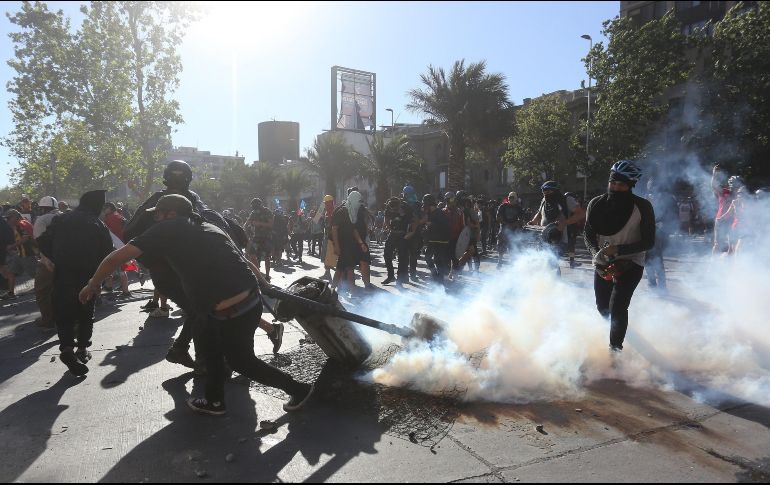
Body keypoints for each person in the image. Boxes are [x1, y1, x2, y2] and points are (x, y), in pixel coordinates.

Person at [79, 195, 312, 415]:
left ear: (170, 214)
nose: (155, 219)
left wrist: (92, 284)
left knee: (241, 361)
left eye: (158, 214)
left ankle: (299, 390)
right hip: (249, 301)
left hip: (228, 311)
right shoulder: (212, 227)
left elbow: (116, 257)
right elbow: (242, 260)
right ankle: (214, 400)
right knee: (208, 344)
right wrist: (264, 285)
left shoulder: (167, 228)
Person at [36, 190, 114, 376]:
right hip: (88, 276)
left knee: (64, 313)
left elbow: (43, 241)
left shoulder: (62, 219)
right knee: (86, 313)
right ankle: (82, 349)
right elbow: (107, 253)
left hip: (63, 275)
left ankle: (67, 349)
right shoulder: (98, 224)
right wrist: (102, 277)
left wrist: (56, 258)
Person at [584, 161, 655, 354]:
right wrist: (595, 255)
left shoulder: (643, 206)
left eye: (621, 185)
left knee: (618, 306)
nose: (615, 187)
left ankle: (615, 350)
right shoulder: (595, 204)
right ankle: (620, 330)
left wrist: (618, 250)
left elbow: (649, 242)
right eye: (612, 183)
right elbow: (588, 234)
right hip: (603, 260)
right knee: (602, 307)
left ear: (631, 185)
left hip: (632, 262)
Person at [331, 191, 369, 293]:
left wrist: (361, 243)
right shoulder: (342, 211)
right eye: (358, 202)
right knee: (348, 268)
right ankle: (351, 292)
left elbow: (354, 230)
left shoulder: (352, 213)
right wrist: (337, 246)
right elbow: (334, 229)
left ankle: (331, 290)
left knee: (342, 269)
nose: (359, 205)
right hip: (343, 245)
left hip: (350, 245)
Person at [32, 196, 61, 328]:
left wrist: (45, 260)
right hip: (66, 259)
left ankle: (48, 320)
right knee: (60, 289)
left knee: (42, 291)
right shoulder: (65, 216)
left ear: (43, 208)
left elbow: (40, 242)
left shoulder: (42, 220)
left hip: (48, 261)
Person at [2, 209, 37, 300]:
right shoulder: (19, 224)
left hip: (27, 254)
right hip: (20, 254)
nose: (7, 220)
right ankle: (11, 293)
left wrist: (12, 246)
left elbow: (25, 238)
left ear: (15, 217)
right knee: (11, 272)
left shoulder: (21, 224)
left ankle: (45, 289)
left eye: (9, 218)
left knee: (36, 274)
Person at [382, 196, 412, 286]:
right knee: (387, 254)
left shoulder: (406, 208)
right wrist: (390, 229)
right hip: (393, 233)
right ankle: (391, 275)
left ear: (399, 205)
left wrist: (411, 232)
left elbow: (414, 221)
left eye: (395, 208)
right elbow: (386, 220)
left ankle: (400, 277)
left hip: (403, 234)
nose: (394, 209)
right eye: (392, 208)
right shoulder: (388, 208)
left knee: (402, 257)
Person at [244, 198, 273, 282]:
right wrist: (245, 228)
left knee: (267, 257)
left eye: (256, 206)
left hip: (266, 237)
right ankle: (258, 274)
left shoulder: (267, 211)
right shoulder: (253, 213)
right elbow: (247, 222)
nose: (254, 208)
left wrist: (259, 223)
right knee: (251, 255)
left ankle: (267, 276)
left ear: (260, 205)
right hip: (256, 237)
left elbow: (271, 224)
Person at [496, 192, 525, 268]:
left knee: (512, 246)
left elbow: (522, 219)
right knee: (501, 246)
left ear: (515, 199)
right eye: (510, 197)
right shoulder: (503, 206)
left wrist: (515, 224)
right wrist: (506, 224)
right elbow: (498, 217)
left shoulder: (518, 208)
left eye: (512, 197)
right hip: (504, 228)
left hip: (514, 230)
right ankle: (500, 261)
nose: (511, 199)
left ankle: (512, 263)